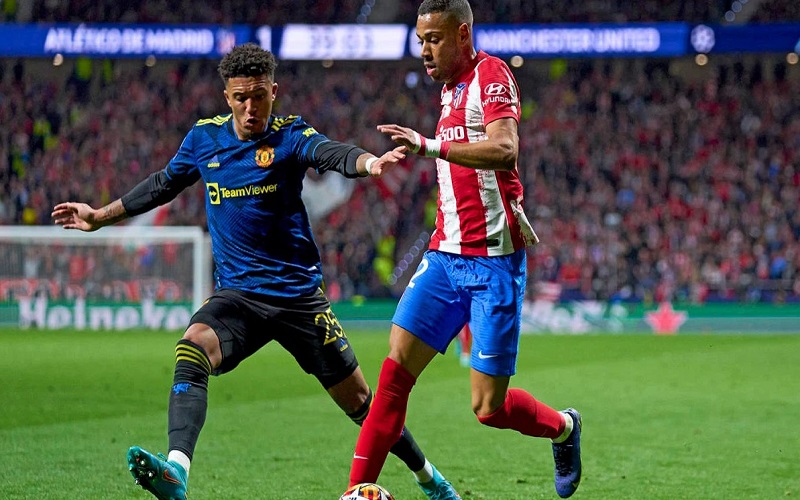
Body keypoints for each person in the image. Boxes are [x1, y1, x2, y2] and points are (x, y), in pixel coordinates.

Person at [51, 43, 460, 500]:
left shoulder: (290, 135)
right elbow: (163, 184)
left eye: (260, 96)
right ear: (226, 97)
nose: (251, 108)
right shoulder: (204, 139)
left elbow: (331, 153)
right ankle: (177, 470)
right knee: (192, 347)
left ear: (274, 92)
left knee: (362, 403)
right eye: (241, 98)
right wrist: (99, 216)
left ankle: (431, 480)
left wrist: (368, 162)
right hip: (239, 297)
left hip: (299, 298)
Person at [346, 1, 582, 498]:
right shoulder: (449, 90)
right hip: (444, 257)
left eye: (434, 39)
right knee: (393, 375)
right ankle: (356, 491)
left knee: (488, 408)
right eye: (420, 41)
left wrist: (430, 146)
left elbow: (505, 150)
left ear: (462, 34)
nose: (424, 50)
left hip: (494, 265)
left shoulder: (491, 75)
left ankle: (564, 427)